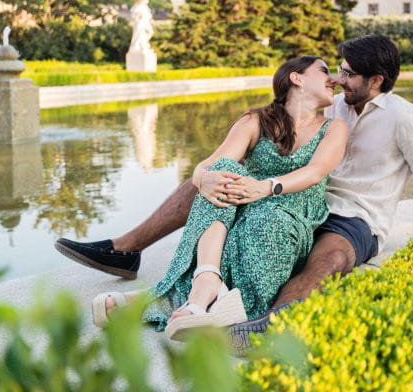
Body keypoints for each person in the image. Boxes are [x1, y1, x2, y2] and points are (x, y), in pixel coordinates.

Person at [55, 35, 413, 349]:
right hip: (303, 201)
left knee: (328, 257)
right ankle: (126, 250)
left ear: (376, 80)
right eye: (337, 71)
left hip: (356, 217)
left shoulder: (406, 118)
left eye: (348, 73)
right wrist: (205, 173)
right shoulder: (335, 107)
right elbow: (290, 124)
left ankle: (265, 322)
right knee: (215, 180)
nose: (339, 78)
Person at [90, 55, 349, 339]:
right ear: (296, 78)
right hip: (241, 208)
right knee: (221, 171)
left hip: (288, 218)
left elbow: (315, 172)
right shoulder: (256, 121)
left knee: (267, 217)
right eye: (324, 71)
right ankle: (206, 284)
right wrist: (206, 179)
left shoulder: (334, 128)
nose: (334, 80)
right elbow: (205, 166)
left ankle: (167, 299)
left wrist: (265, 187)